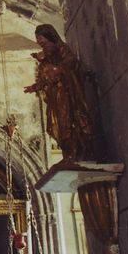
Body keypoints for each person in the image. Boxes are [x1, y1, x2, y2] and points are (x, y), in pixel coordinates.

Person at [23, 24, 96, 161]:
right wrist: (36, 87)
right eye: (40, 44)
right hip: (56, 97)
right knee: (59, 125)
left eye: (43, 42)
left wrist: (58, 69)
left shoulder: (61, 49)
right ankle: (68, 153)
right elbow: (47, 80)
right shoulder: (47, 59)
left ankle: (80, 151)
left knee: (70, 120)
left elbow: (71, 61)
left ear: (51, 38)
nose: (42, 47)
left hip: (68, 94)